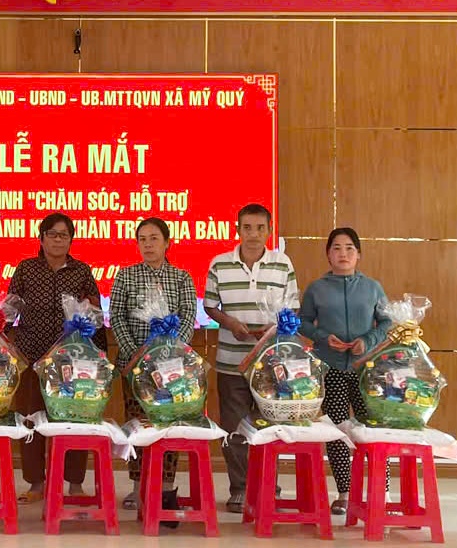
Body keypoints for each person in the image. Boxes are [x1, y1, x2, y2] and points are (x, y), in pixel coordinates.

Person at [202, 203, 298, 513]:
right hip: (231, 361)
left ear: (269, 231)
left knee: (271, 429)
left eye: (260, 228)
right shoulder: (220, 264)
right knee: (234, 428)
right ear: (237, 230)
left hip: (271, 364)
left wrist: (274, 328)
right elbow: (210, 305)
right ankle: (240, 488)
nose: (253, 234)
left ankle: (269, 487)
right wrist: (230, 323)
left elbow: (292, 307)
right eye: (247, 228)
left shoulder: (282, 264)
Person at [6, 212, 105, 504]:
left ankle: (74, 483)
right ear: (41, 238)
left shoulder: (81, 271)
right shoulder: (26, 269)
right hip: (30, 356)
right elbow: (10, 307)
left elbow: (96, 314)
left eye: (64, 235)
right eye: (52, 234)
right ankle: (36, 483)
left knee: (74, 420)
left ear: (71, 240)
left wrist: (96, 350)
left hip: (70, 362)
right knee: (31, 419)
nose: (58, 240)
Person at [297, 227, 392, 515]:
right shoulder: (317, 288)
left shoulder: (372, 287)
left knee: (373, 431)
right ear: (328, 254)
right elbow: (303, 322)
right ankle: (345, 493)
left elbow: (387, 322)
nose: (343, 253)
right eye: (336, 248)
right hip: (331, 368)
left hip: (366, 370)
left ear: (358, 254)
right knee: (337, 431)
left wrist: (368, 341)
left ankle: (382, 493)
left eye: (349, 248)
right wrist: (323, 338)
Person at [109, 218, 196, 518]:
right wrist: (137, 355)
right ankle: (137, 486)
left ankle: (166, 487)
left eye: (154, 238)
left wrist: (166, 354)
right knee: (137, 425)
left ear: (167, 242)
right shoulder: (126, 275)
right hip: (134, 366)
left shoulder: (182, 277)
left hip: (171, 368)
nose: (148, 244)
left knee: (168, 427)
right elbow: (117, 316)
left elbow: (188, 317)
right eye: (142, 239)